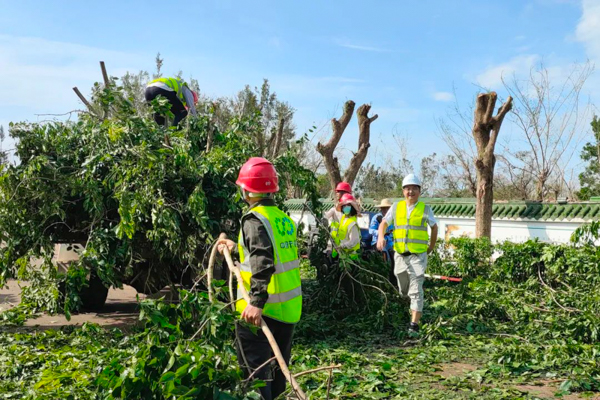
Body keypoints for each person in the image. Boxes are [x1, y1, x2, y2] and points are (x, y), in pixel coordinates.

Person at [217, 157, 301, 400]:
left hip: (260, 314)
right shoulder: (282, 218)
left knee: (255, 376)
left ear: (247, 190)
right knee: (277, 373)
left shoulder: (254, 219)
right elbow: (266, 253)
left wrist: (256, 302)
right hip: (287, 311)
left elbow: (263, 261)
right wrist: (236, 248)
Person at [376, 174, 438, 337]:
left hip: (418, 255)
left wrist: (431, 246)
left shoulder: (425, 208)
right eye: (407, 188)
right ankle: (406, 301)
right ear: (403, 191)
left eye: (414, 188)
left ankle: (414, 325)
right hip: (400, 254)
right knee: (402, 284)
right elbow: (384, 223)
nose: (411, 191)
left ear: (419, 191)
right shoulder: (396, 207)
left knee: (416, 288)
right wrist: (381, 237)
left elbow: (434, 227)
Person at [330, 193, 361, 260]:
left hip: (350, 257)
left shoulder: (352, 223)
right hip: (342, 255)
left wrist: (342, 246)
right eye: (344, 205)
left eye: (348, 205)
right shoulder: (343, 219)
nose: (346, 207)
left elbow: (353, 241)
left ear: (352, 207)